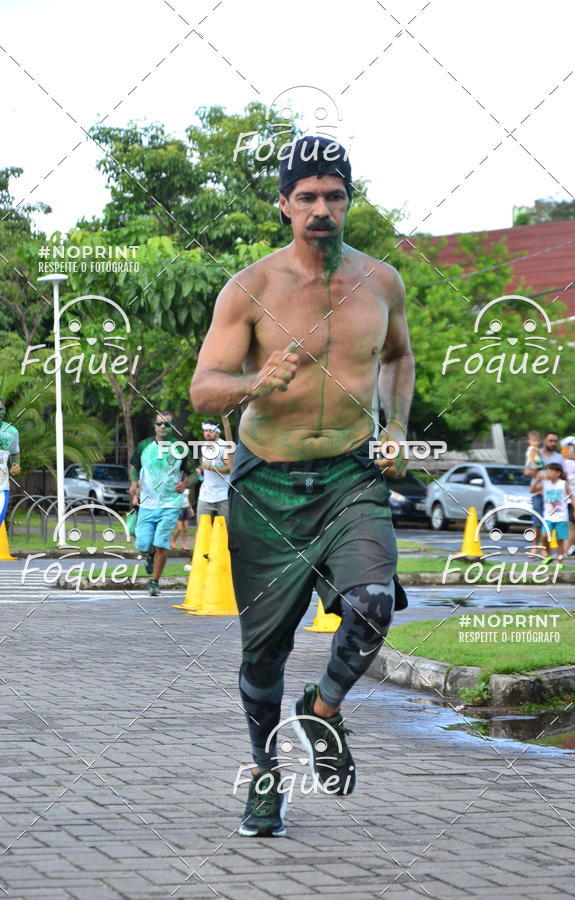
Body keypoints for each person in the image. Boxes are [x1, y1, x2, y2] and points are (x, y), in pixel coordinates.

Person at [190, 136, 414, 837]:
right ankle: (264, 774)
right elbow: (203, 390)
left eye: (334, 196)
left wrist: (398, 426)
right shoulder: (251, 288)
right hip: (268, 485)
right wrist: (257, 381)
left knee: (374, 601)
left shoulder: (381, 282)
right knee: (265, 651)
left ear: (349, 200)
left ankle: (323, 707)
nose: (322, 209)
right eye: (308, 197)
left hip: (352, 475)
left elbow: (400, 358)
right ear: (284, 204)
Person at [129, 412, 197, 596]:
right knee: (143, 543)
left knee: (161, 544)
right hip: (148, 503)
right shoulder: (144, 446)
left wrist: (185, 483)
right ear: (155, 426)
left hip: (170, 503)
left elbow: (194, 473)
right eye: (160, 424)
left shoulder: (180, 448)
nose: (163, 427)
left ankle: (154, 582)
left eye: (167, 424)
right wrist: (134, 483)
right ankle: (148, 554)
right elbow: (134, 467)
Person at [531, 463, 575, 565]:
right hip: (548, 516)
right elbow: (532, 491)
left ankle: (560, 561)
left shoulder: (563, 484)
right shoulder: (545, 483)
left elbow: (572, 497)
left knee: (560, 541)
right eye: (546, 471)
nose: (547, 473)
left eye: (550, 471)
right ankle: (548, 555)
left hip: (561, 517)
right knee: (544, 536)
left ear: (558, 473)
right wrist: (537, 479)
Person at [523, 430, 562, 557]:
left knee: (549, 522)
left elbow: (563, 475)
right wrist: (542, 475)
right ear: (544, 441)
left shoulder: (559, 457)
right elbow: (527, 472)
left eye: (555, 441)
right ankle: (534, 547)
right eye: (550, 440)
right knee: (537, 522)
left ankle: (546, 549)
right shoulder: (536, 453)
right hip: (538, 492)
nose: (553, 443)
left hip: (552, 494)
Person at [196, 421, 232, 525]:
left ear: (217, 432)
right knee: (202, 528)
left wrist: (211, 468)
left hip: (223, 495)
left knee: (223, 529)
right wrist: (200, 469)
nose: (207, 433)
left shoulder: (224, 447)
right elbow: (205, 465)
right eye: (205, 430)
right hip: (205, 494)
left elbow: (230, 468)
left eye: (210, 431)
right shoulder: (204, 447)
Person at [0, 398, 20, 527]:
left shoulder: (12, 432)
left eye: (0, 409)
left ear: (5, 411)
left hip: (1, 488)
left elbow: (15, 452)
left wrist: (16, 465)